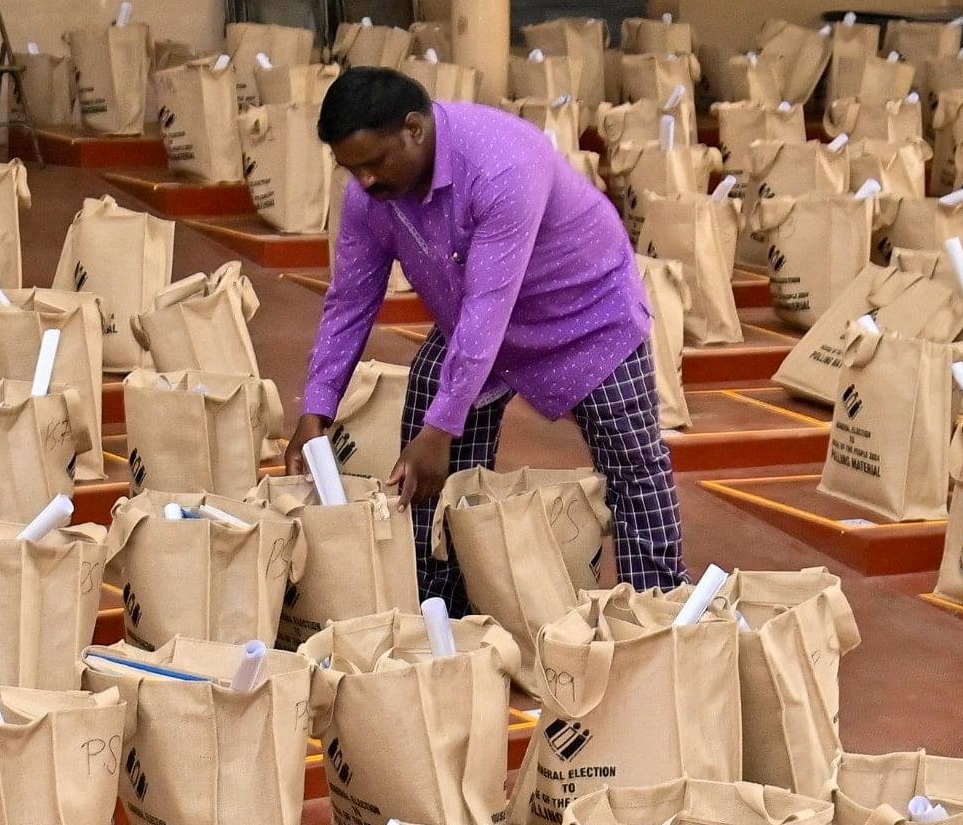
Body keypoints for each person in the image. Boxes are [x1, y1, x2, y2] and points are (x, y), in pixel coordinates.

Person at [287, 65, 683, 607]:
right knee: (426, 465)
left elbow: (489, 308)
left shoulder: (501, 165)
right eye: (351, 169)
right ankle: (440, 610)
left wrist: (441, 428)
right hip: (473, 321)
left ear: (415, 129)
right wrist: (318, 404)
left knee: (633, 465)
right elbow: (350, 301)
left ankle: (659, 614)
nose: (366, 182)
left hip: (584, 318)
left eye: (376, 162)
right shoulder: (371, 198)